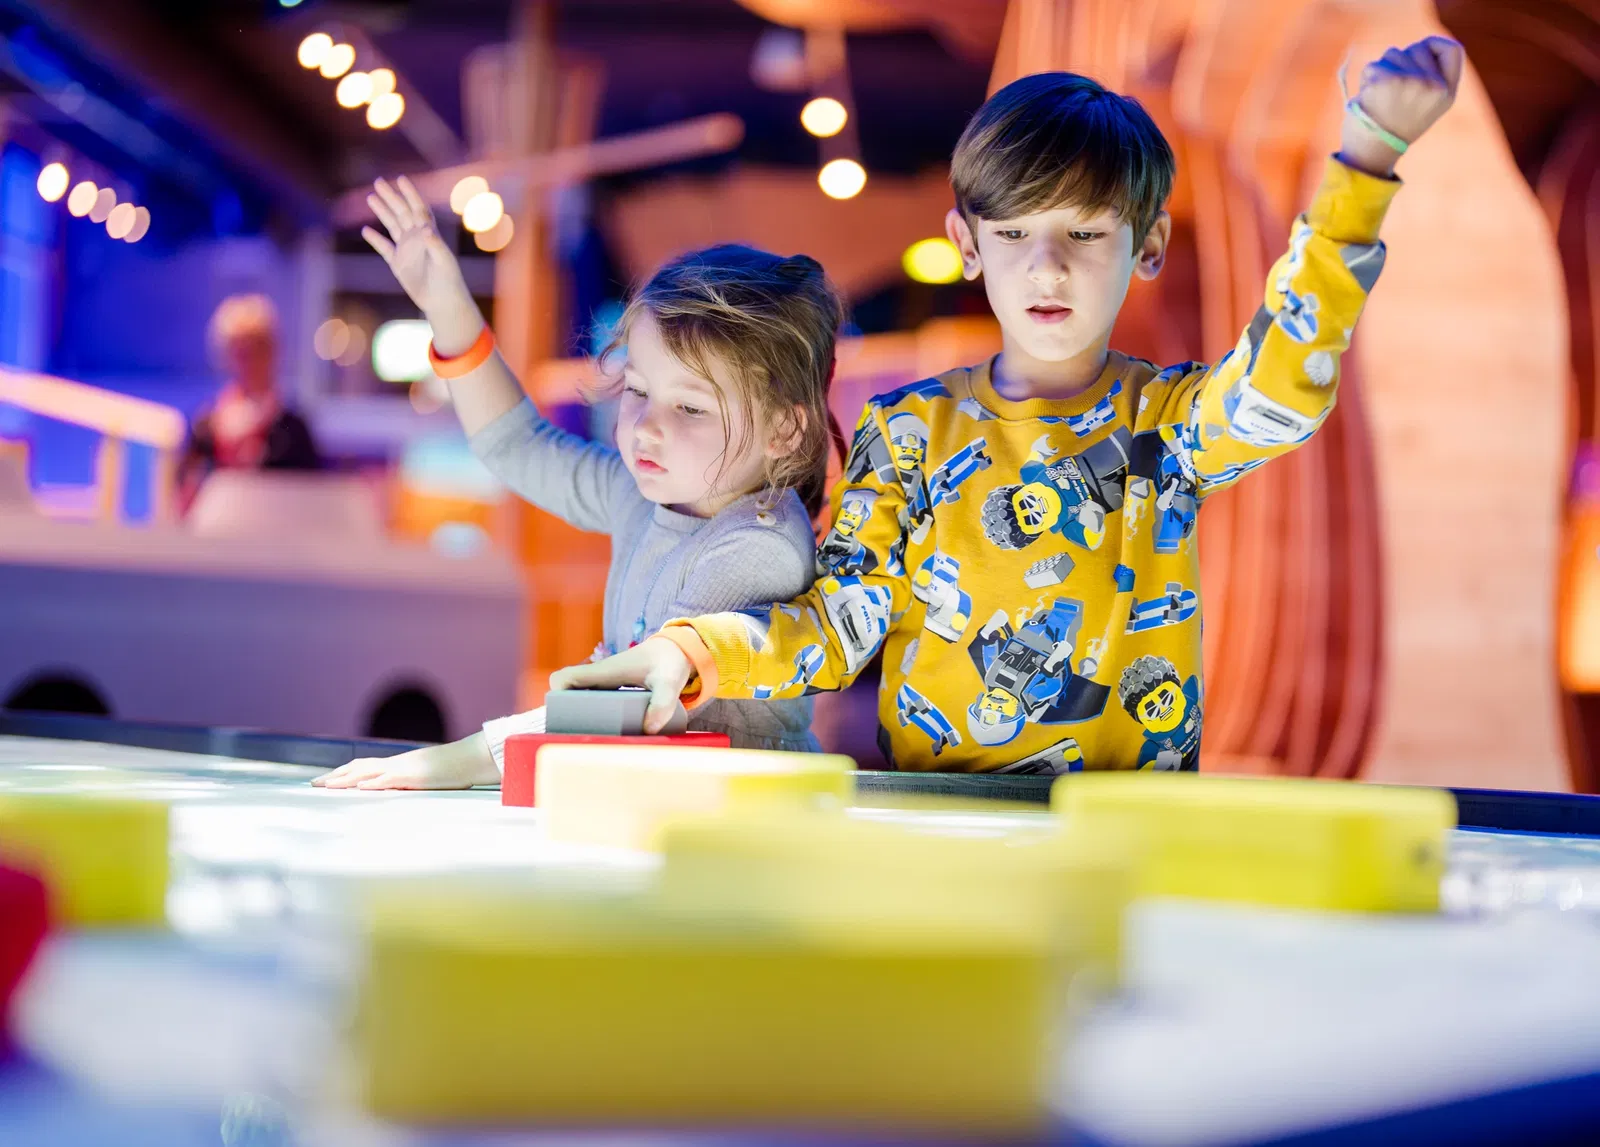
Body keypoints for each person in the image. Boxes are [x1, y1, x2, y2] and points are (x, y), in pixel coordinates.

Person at [550, 38, 1464, 774]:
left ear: (1146, 246)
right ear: (968, 243)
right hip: (935, 817)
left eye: (1085, 233)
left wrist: (1366, 162)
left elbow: (1281, 389)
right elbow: (837, 621)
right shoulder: (905, 434)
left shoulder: (1169, 427)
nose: (1048, 264)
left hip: (1118, 829)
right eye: (1016, 232)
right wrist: (691, 651)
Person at [316, 176, 842, 789]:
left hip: (749, 825)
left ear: (784, 430)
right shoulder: (646, 493)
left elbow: (617, 710)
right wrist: (446, 304)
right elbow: (517, 447)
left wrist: (442, 762)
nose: (647, 428)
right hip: (664, 803)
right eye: (639, 391)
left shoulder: (758, 548)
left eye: (690, 408)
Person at [180, 294, 320, 507]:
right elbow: (187, 494)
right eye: (240, 353)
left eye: (258, 349)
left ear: (273, 352)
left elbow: (310, 497)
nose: (249, 362)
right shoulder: (206, 426)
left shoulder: (293, 430)